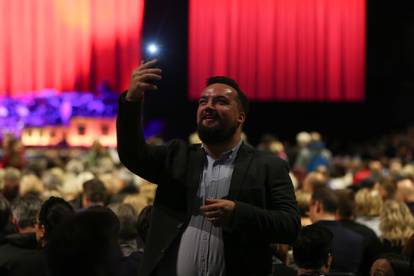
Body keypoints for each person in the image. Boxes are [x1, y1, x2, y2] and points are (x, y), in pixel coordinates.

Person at [116, 60, 300, 276]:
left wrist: (238, 213)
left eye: (221, 101)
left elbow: (290, 226)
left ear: (241, 117)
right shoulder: (176, 156)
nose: (209, 106)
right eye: (203, 101)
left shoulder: (269, 166)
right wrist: (132, 100)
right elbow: (131, 154)